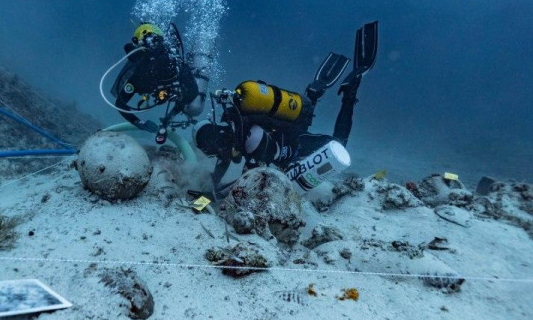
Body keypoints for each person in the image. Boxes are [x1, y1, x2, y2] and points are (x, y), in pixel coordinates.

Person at [193, 21, 378, 193]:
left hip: (296, 144)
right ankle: (312, 94)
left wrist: (213, 196)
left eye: (210, 149)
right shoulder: (232, 132)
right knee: (304, 118)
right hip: (288, 134)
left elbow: (250, 179)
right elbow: (223, 164)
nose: (217, 153)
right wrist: (211, 185)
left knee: (338, 147)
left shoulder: (250, 137)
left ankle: (349, 93)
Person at [102, 22, 204, 144]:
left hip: (171, 87)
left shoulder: (177, 66)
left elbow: (191, 94)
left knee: (189, 95)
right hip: (157, 85)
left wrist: (168, 118)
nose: (157, 58)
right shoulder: (140, 75)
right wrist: (139, 122)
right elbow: (120, 104)